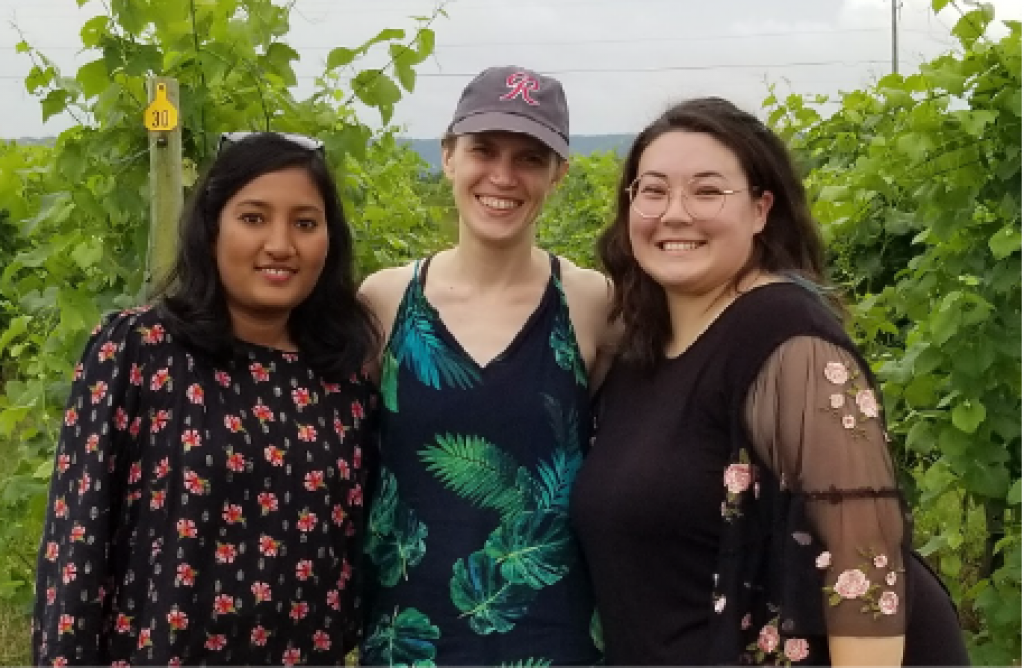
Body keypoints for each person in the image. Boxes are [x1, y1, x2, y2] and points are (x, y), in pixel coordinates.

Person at [570, 98, 970, 668]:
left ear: (761, 209)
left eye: (707, 191)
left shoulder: (787, 338)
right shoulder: (640, 350)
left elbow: (864, 564)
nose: (674, 212)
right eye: (653, 190)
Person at [32, 132, 379, 667]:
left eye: (305, 223)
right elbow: (76, 547)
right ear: (211, 227)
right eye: (254, 217)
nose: (282, 244)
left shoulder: (343, 380)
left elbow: (350, 562)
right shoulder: (139, 351)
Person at [357, 66, 616, 667]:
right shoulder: (385, 302)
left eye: (529, 157)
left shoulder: (593, 304)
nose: (502, 176)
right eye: (483, 150)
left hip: (555, 642)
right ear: (448, 156)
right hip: (407, 640)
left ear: (559, 174)